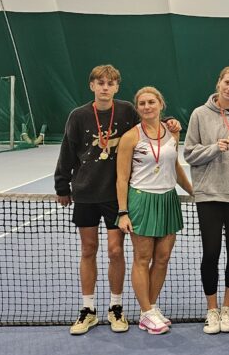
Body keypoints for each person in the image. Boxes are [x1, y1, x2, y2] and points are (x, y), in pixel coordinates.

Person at [54, 64, 180, 336]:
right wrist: (62, 185)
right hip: (85, 193)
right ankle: (88, 309)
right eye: (100, 83)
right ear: (92, 86)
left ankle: (116, 307)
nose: (105, 87)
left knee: (115, 251)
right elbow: (67, 151)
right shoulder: (78, 116)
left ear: (116, 87)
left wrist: (170, 122)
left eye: (110, 83)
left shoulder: (126, 111)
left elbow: (150, 121)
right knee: (88, 249)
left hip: (114, 196)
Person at [116, 86, 193, 335]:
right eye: (142, 103)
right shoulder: (130, 137)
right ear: (137, 108)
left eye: (151, 102)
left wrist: (193, 191)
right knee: (142, 257)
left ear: (161, 104)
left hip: (168, 199)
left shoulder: (172, 133)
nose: (147, 107)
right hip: (142, 200)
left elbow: (174, 166)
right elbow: (121, 178)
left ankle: (148, 309)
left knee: (162, 258)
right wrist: (123, 212)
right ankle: (147, 311)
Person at [184, 66, 229, 335]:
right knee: (211, 252)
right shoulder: (199, 114)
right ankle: (211, 310)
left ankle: (227, 308)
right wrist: (215, 148)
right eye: (227, 83)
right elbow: (189, 153)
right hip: (209, 195)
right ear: (219, 83)